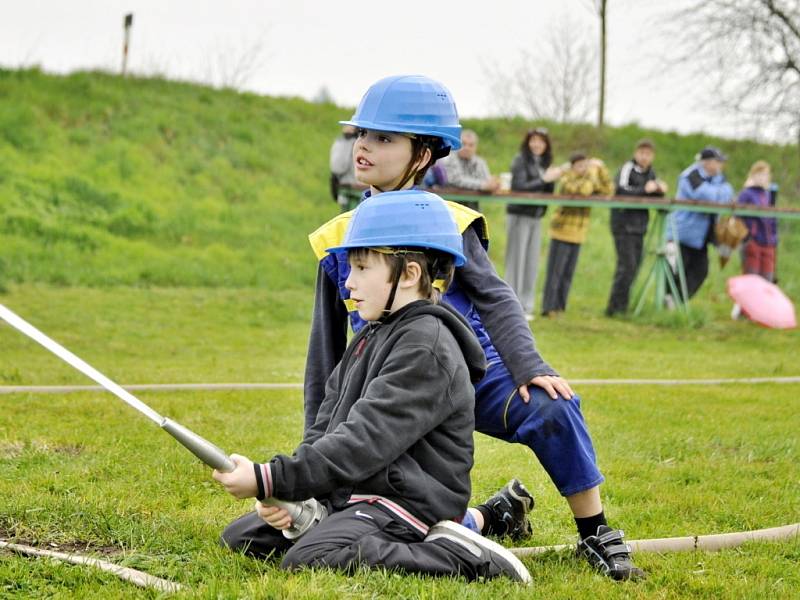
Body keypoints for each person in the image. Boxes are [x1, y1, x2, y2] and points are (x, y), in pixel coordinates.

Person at [305, 75, 645, 581]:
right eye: (361, 135)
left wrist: (530, 368)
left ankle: (595, 533)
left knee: (553, 408)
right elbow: (326, 356)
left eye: (383, 138)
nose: (363, 147)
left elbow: (497, 299)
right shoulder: (337, 239)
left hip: (469, 373)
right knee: (386, 498)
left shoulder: (450, 222)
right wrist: (311, 463)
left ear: (423, 154)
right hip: (392, 386)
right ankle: (490, 517)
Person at [214, 190, 531, 583]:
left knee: (310, 558)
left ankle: (462, 555)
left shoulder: (426, 346)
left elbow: (364, 440)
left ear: (410, 273)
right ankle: (337, 522)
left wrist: (269, 478)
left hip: (407, 501)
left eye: (362, 268)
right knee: (241, 538)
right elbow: (327, 424)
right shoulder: (371, 334)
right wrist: (298, 494)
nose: (348, 282)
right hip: (359, 492)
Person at [541, 153, 613, 316]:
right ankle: (548, 308)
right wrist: (593, 173)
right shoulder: (567, 178)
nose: (583, 168)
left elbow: (608, 189)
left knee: (568, 274)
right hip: (562, 232)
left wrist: (601, 169)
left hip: (579, 233)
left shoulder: (590, 177)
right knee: (556, 273)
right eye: (580, 165)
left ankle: (560, 307)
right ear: (573, 166)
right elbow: (583, 190)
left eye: (585, 165)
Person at [504, 128, 563, 320]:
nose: (537, 144)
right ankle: (512, 305)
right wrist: (544, 179)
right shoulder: (520, 160)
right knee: (516, 261)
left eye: (541, 141)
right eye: (534, 140)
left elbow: (546, 191)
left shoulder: (544, 162)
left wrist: (551, 179)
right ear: (528, 142)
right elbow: (519, 187)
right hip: (519, 215)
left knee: (531, 262)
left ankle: (527, 306)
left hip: (536, 217)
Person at [605, 139, 668, 316]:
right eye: (642, 153)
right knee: (626, 266)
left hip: (639, 227)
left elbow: (653, 194)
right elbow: (621, 190)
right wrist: (645, 189)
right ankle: (614, 308)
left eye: (648, 154)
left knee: (635, 266)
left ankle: (622, 306)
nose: (644, 157)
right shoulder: (627, 168)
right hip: (623, 225)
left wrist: (660, 190)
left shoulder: (651, 173)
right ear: (635, 153)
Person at [668, 146, 734, 301]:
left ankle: (677, 301)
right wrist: (719, 195)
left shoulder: (719, 178)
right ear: (708, 163)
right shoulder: (690, 175)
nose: (721, 166)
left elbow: (729, 192)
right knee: (677, 270)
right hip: (683, 234)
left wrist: (718, 194)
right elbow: (707, 197)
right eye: (718, 162)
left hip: (702, 237)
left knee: (700, 271)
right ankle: (669, 299)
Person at [738, 160, 778, 282]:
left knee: (767, 279)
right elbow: (738, 216)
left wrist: (774, 238)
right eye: (760, 174)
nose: (763, 178)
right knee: (751, 278)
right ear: (753, 175)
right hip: (753, 241)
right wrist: (748, 236)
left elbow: (772, 219)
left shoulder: (768, 195)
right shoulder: (746, 194)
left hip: (768, 242)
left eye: (765, 174)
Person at [441, 129, 500, 210]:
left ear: (475, 147)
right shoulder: (449, 158)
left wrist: (493, 184)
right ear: (458, 144)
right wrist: (482, 185)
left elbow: (487, 181)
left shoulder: (480, 162)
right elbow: (457, 180)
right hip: (451, 207)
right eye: (464, 144)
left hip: (472, 209)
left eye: (471, 145)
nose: (467, 148)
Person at [329, 124, 359, 211]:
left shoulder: (342, 142)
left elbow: (337, 168)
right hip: (353, 190)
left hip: (350, 190)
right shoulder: (363, 141)